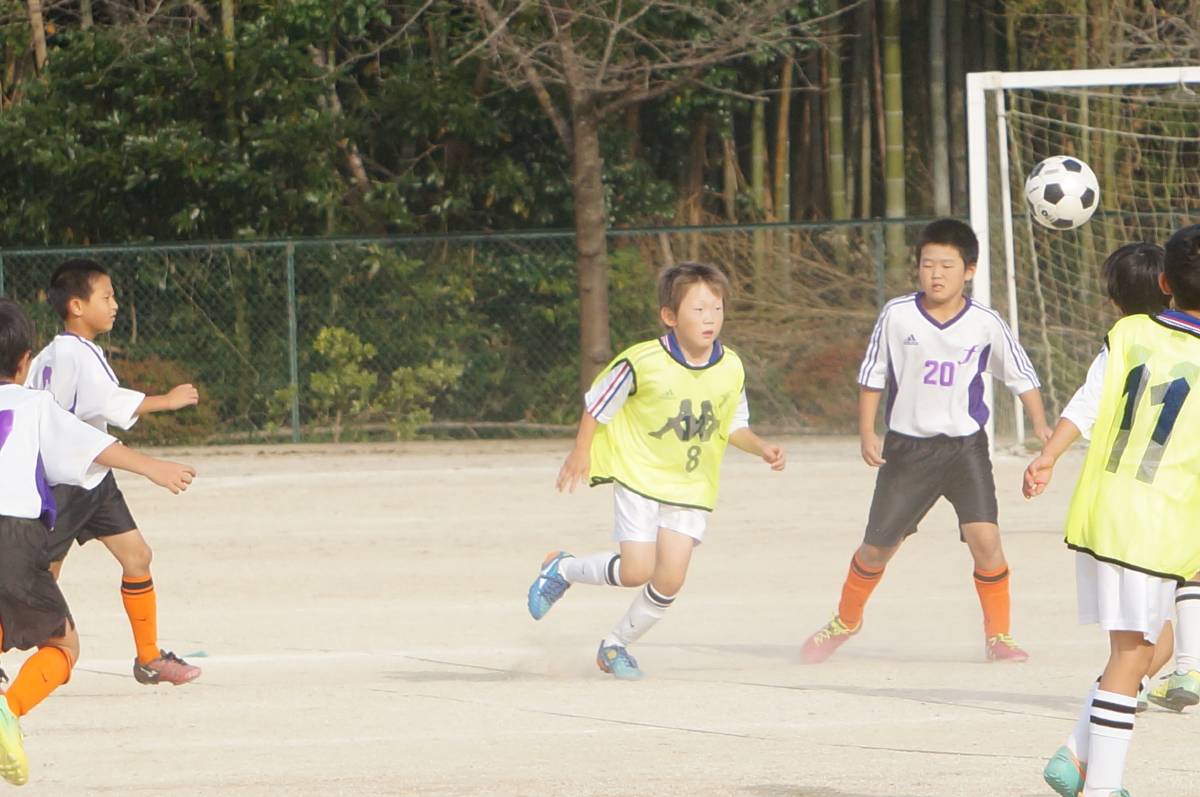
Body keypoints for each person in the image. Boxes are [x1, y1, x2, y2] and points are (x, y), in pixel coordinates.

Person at [800, 218, 1051, 665]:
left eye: (947, 266)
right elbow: (873, 375)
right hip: (908, 451)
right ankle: (846, 619)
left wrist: (1040, 424)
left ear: (969, 271)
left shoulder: (985, 323)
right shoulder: (897, 315)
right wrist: (867, 431)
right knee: (878, 548)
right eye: (927, 264)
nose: (936, 274)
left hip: (965, 450)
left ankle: (999, 636)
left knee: (986, 540)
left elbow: (1021, 375)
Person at [525, 261, 785, 679]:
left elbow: (734, 425)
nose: (710, 318)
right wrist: (581, 451)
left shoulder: (731, 367)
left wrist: (761, 448)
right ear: (670, 316)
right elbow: (597, 404)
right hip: (640, 477)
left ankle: (615, 646)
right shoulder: (642, 361)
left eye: (717, 308)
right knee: (636, 571)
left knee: (670, 578)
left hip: (692, 486)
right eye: (698, 309)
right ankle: (563, 569)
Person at [1025, 224, 1200, 797]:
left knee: (1147, 646)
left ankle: (1077, 755)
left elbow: (1088, 402)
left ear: (1165, 281)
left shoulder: (1127, 332)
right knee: (1134, 653)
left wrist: (1048, 455)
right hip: (1156, 524)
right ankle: (1100, 785)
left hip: (1105, 510)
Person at [0, 298, 195, 784]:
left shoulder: (55, 359)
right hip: (15, 532)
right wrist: (153, 467)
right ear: (24, 362)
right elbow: (92, 444)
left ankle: (149, 655)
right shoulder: (34, 403)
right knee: (62, 644)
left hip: (68, 503)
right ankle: (9, 710)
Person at [25, 259, 202, 685]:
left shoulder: (50, 353)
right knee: (39, 582)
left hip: (95, 477)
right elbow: (109, 402)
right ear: (77, 306)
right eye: (106, 297)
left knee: (137, 556)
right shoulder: (80, 352)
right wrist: (167, 400)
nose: (115, 305)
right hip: (65, 484)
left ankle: (149, 658)